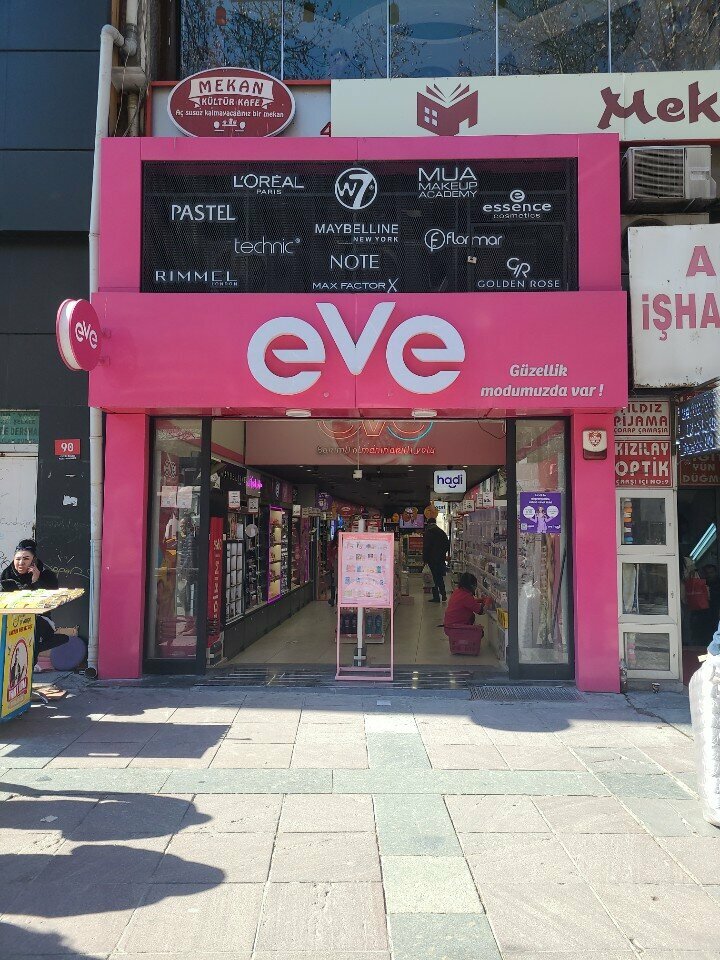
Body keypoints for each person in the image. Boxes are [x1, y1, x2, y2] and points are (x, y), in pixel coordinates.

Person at [0, 539, 68, 670]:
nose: (21, 562)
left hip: (40, 619)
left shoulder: (47, 575)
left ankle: (29, 664)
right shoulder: (7, 574)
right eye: (17, 559)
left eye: (26, 559)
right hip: (13, 619)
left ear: (33, 561)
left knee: (32, 624)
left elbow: (50, 601)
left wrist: (36, 581)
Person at [444, 572, 488, 645]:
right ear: (471, 585)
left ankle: (461, 640)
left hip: (449, 626)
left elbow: (465, 602)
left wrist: (479, 600)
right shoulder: (467, 597)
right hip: (455, 629)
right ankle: (463, 642)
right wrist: (488, 602)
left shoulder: (457, 591)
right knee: (480, 632)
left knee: (471, 616)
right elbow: (481, 611)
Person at [423, 516, 450, 602]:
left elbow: (426, 547)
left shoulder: (428, 532)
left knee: (433, 578)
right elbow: (447, 544)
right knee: (439, 577)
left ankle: (436, 597)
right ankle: (444, 594)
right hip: (440, 559)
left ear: (428, 523)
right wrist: (443, 554)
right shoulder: (442, 532)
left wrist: (425, 559)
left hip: (431, 559)